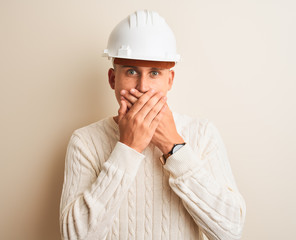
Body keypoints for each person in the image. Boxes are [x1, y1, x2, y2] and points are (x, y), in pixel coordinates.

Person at [60, 10, 246, 240]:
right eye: (131, 71)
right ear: (112, 79)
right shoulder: (85, 141)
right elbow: (74, 237)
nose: (143, 86)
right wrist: (127, 149)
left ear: (170, 80)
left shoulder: (202, 134)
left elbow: (230, 232)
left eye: (155, 73)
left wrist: (174, 146)